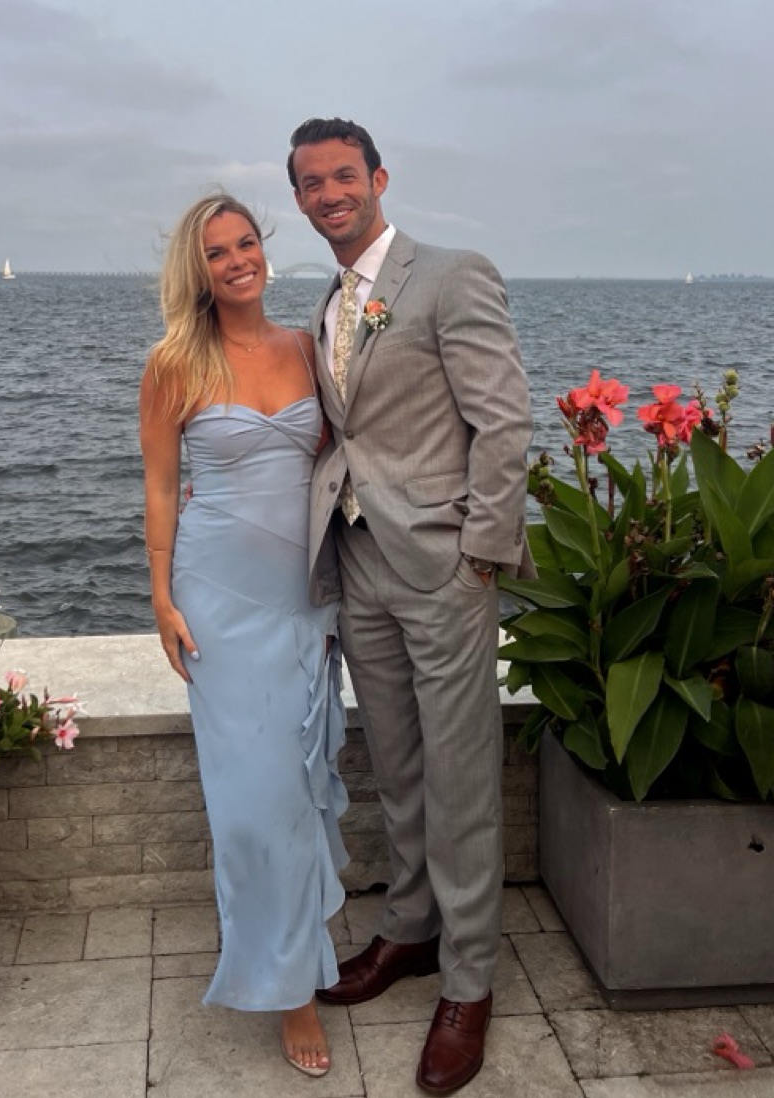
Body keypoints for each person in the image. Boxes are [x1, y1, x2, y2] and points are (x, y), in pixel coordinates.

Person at [287, 118, 535, 1096]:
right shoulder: (326, 305)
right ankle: (410, 930)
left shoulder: (450, 276)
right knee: (396, 765)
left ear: (378, 178)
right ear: (299, 199)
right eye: (311, 183)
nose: (330, 193)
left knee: (461, 777)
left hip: (441, 570)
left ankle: (468, 982)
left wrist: (480, 555)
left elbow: (502, 419)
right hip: (359, 561)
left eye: (343, 175)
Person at [139, 193, 349, 1078]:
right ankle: (290, 989)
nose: (237, 261)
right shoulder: (174, 364)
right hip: (218, 602)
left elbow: (340, 459)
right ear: (198, 272)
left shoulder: (306, 348)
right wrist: (160, 598)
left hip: (304, 599)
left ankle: (296, 957)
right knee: (252, 806)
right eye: (217, 253)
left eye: (246, 243)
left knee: (297, 792)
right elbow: (160, 487)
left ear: (264, 248)